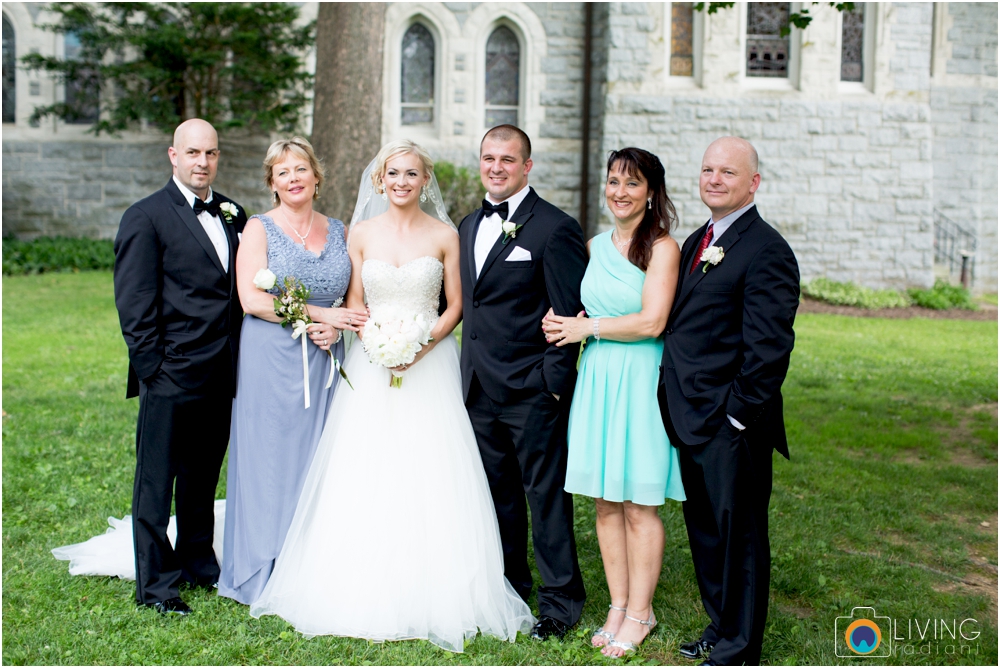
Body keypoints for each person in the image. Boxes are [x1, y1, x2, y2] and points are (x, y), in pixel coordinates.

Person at [249, 140, 534, 652]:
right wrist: (373, 342)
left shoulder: (447, 235)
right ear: (380, 180)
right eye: (393, 173)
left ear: (426, 180)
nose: (401, 181)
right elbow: (355, 302)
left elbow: (456, 306)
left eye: (412, 173)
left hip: (431, 364)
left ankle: (440, 582)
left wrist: (422, 344)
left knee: (434, 467)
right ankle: (360, 577)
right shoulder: (359, 234)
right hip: (373, 364)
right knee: (367, 468)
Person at [658, 137, 799, 666]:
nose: (714, 179)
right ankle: (720, 627)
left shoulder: (767, 250)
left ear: (753, 183)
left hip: (731, 422)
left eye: (728, 173)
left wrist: (738, 414)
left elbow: (769, 347)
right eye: (708, 170)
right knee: (707, 532)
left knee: (738, 537)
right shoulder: (700, 238)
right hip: (690, 414)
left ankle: (740, 647)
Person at [541, 148, 686, 658]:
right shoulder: (593, 245)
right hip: (598, 375)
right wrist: (562, 325)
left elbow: (653, 321)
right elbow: (582, 309)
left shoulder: (663, 248)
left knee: (638, 504)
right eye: (612, 182)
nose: (619, 192)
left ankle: (642, 612)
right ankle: (618, 606)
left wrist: (588, 327)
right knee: (605, 502)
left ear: (651, 192)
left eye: (631, 183)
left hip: (641, 376)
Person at [217, 137, 366, 605]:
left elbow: (351, 298)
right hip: (272, 356)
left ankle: (314, 564)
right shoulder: (258, 230)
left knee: (323, 458)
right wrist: (321, 317)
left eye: (301, 169)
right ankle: (265, 563)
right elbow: (252, 299)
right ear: (273, 183)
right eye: (283, 172)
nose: (294, 178)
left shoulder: (341, 229)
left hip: (326, 356)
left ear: (316, 176)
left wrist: (335, 328)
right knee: (270, 459)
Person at [458, 125, 589, 640]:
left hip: (532, 391)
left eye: (507, 160)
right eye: (488, 157)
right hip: (478, 389)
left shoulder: (554, 228)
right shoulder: (468, 225)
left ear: (527, 166)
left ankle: (560, 602)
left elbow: (570, 311)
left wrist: (552, 385)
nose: (496, 167)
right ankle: (511, 587)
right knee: (498, 496)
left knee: (546, 497)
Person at [112, 119, 247, 615]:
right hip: (169, 374)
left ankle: (197, 564)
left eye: (210, 154)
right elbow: (135, 303)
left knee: (200, 479)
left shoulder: (234, 213)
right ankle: (157, 587)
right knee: (156, 483)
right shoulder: (145, 217)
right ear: (173, 155)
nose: (202, 162)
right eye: (192, 153)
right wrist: (155, 369)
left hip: (221, 374)